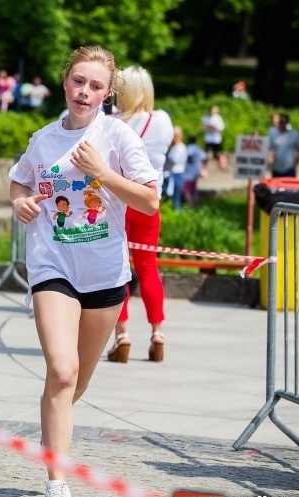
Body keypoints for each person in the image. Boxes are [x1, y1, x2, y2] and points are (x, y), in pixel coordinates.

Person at [10, 45, 159, 497]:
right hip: (53, 267)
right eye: (79, 81)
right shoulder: (43, 139)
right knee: (62, 371)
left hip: (105, 276)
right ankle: (56, 483)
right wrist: (21, 203)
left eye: (96, 85)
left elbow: (150, 202)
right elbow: (20, 182)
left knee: (76, 383)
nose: (85, 92)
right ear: (65, 82)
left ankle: (53, 420)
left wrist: (102, 172)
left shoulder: (117, 137)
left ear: (108, 93)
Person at [107, 65, 173, 364]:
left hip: (118, 201)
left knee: (117, 269)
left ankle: (122, 336)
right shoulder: (162, 121)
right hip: (148, 201)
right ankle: (157, 334)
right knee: (148, 268)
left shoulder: (110, 123)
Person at [268, 113, 299, 177]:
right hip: (276, 168)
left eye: (283, 122)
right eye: (280, 122)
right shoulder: (273, 133)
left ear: (287, 122)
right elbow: (270, 149)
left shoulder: (294, 134)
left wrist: (295, 164)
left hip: (289, 169)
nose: (281, 124)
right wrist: (270, 159)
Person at [182, 135, 208, 207]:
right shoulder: (198, 148)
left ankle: (190, 205)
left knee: (187, 190)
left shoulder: (190, 148)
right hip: (196, 170)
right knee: (193, 189)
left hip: (189, 172)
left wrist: (189, 163)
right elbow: (205, 158)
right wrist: (204, 167)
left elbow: (189, 156)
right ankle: (195, 204)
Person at [167, 126, 188, 210]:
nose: (174, 137)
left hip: (177, 173)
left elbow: (173, 160)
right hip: (173, 173)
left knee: (176, 195)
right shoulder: (175, 147)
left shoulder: (180, 147)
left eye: (176, 135)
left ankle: (177, 211)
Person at [201, 105, 226, 170]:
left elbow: (221, 128)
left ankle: (221, 164)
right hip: (208, 138)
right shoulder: (205, 117)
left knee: (216, 153)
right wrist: (206, 127)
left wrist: (214, 127)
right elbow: (202, 127)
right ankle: (204, 168)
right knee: (205, 154)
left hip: (216, 139)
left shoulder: (218, 118)